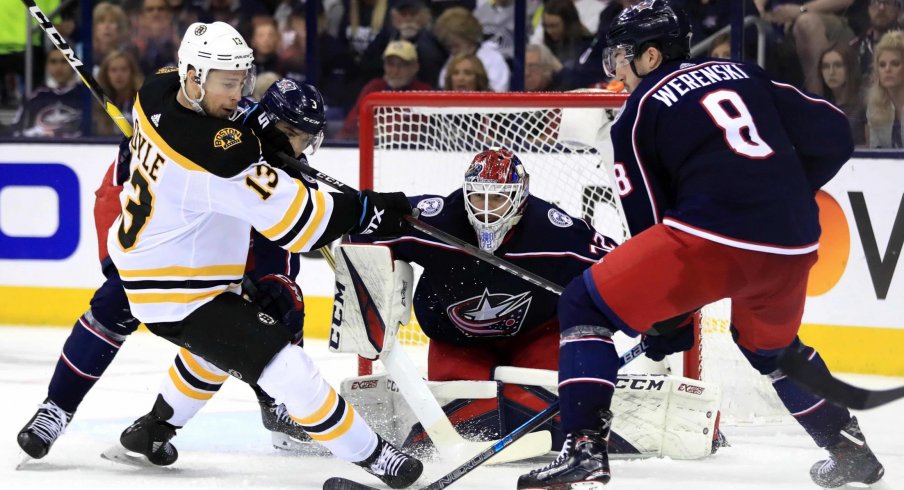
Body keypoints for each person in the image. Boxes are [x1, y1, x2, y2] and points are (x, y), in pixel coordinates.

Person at [519, 2, 886, 489]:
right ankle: (847, 447)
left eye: (621, 57)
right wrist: (786, 190)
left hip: (712, 238)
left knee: (583, 303)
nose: (617, 71)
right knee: (771, 350)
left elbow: (650, 224)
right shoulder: (742, 72)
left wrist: (664, 319)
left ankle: (583, 447)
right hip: (793, 242)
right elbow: (836, 133)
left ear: (650, 57)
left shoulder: (638, 112)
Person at [103, 21, 421, 487]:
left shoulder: (156, 91)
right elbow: (302, 226)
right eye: (228, 84)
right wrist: (367, 210)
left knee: (216, 353)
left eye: (242, 81)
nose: (238, 95)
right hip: (177, 291)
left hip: (165, 265)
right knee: (284, 367)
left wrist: (259, 141)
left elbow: (224, 131)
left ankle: (152, 431)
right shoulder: (218, 165)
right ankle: (377, 459)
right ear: (194, 76)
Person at [17, 75, 324, 463]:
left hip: (215, 247)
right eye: (293, 132)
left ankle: (268, 405)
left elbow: (277, 234)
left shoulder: (283, 163)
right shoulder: (195, 126)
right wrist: (122, 263)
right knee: (115, 303)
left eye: (306, 135)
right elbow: (120, 184)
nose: (300, 144)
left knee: (272, 309)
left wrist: (274, 280)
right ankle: (56, 409)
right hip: (152, 234)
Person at [350, 148, 615, 450]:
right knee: (467, 413)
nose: (487, 209)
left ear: (520, 198)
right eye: (478, 197)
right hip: (456, 341)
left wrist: (654, 311)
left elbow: (617, 268)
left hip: (536, 335)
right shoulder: (435, 219)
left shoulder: (554, 231)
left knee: (545, 402)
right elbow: (360, 234)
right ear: (466, 194)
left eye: (498, 198)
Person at [338, 40, 431, 140]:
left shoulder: (423, 91)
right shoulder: (374, 87)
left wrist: (386, 132)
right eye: (390, 64)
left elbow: (423, 132)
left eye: (402, 65)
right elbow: (349, 126)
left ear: (415, 67)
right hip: (368, 149)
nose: (395, 71)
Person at [13, 49, 88, 138]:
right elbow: (17, 132)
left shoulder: (86, 95)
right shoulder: (34, 97)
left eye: (64, 61)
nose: (58, 67)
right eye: (53, 62)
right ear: (47, 65)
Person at [819, 43, 866, 146]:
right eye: (826, 67)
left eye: (838, 65)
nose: (831, 72)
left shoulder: (865, 103)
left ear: (850, 68)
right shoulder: (821, 106)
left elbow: (872, 147)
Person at [866, 30, 904, 148]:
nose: (887, 69)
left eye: (895, 64)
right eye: (882, 65)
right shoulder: (874, 106)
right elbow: (875, 152)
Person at [94, 50, 144, 136]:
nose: (119, 75)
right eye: (113, 70)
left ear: (132, 73)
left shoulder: (144, 100)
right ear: (106, 74)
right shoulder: (99, 103)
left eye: (124, 70)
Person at [850, 0, 902, 79]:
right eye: (876, 2)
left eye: (888, 3)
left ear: (898, 9)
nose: (881, 8)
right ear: (869, 8)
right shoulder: (855, 47)